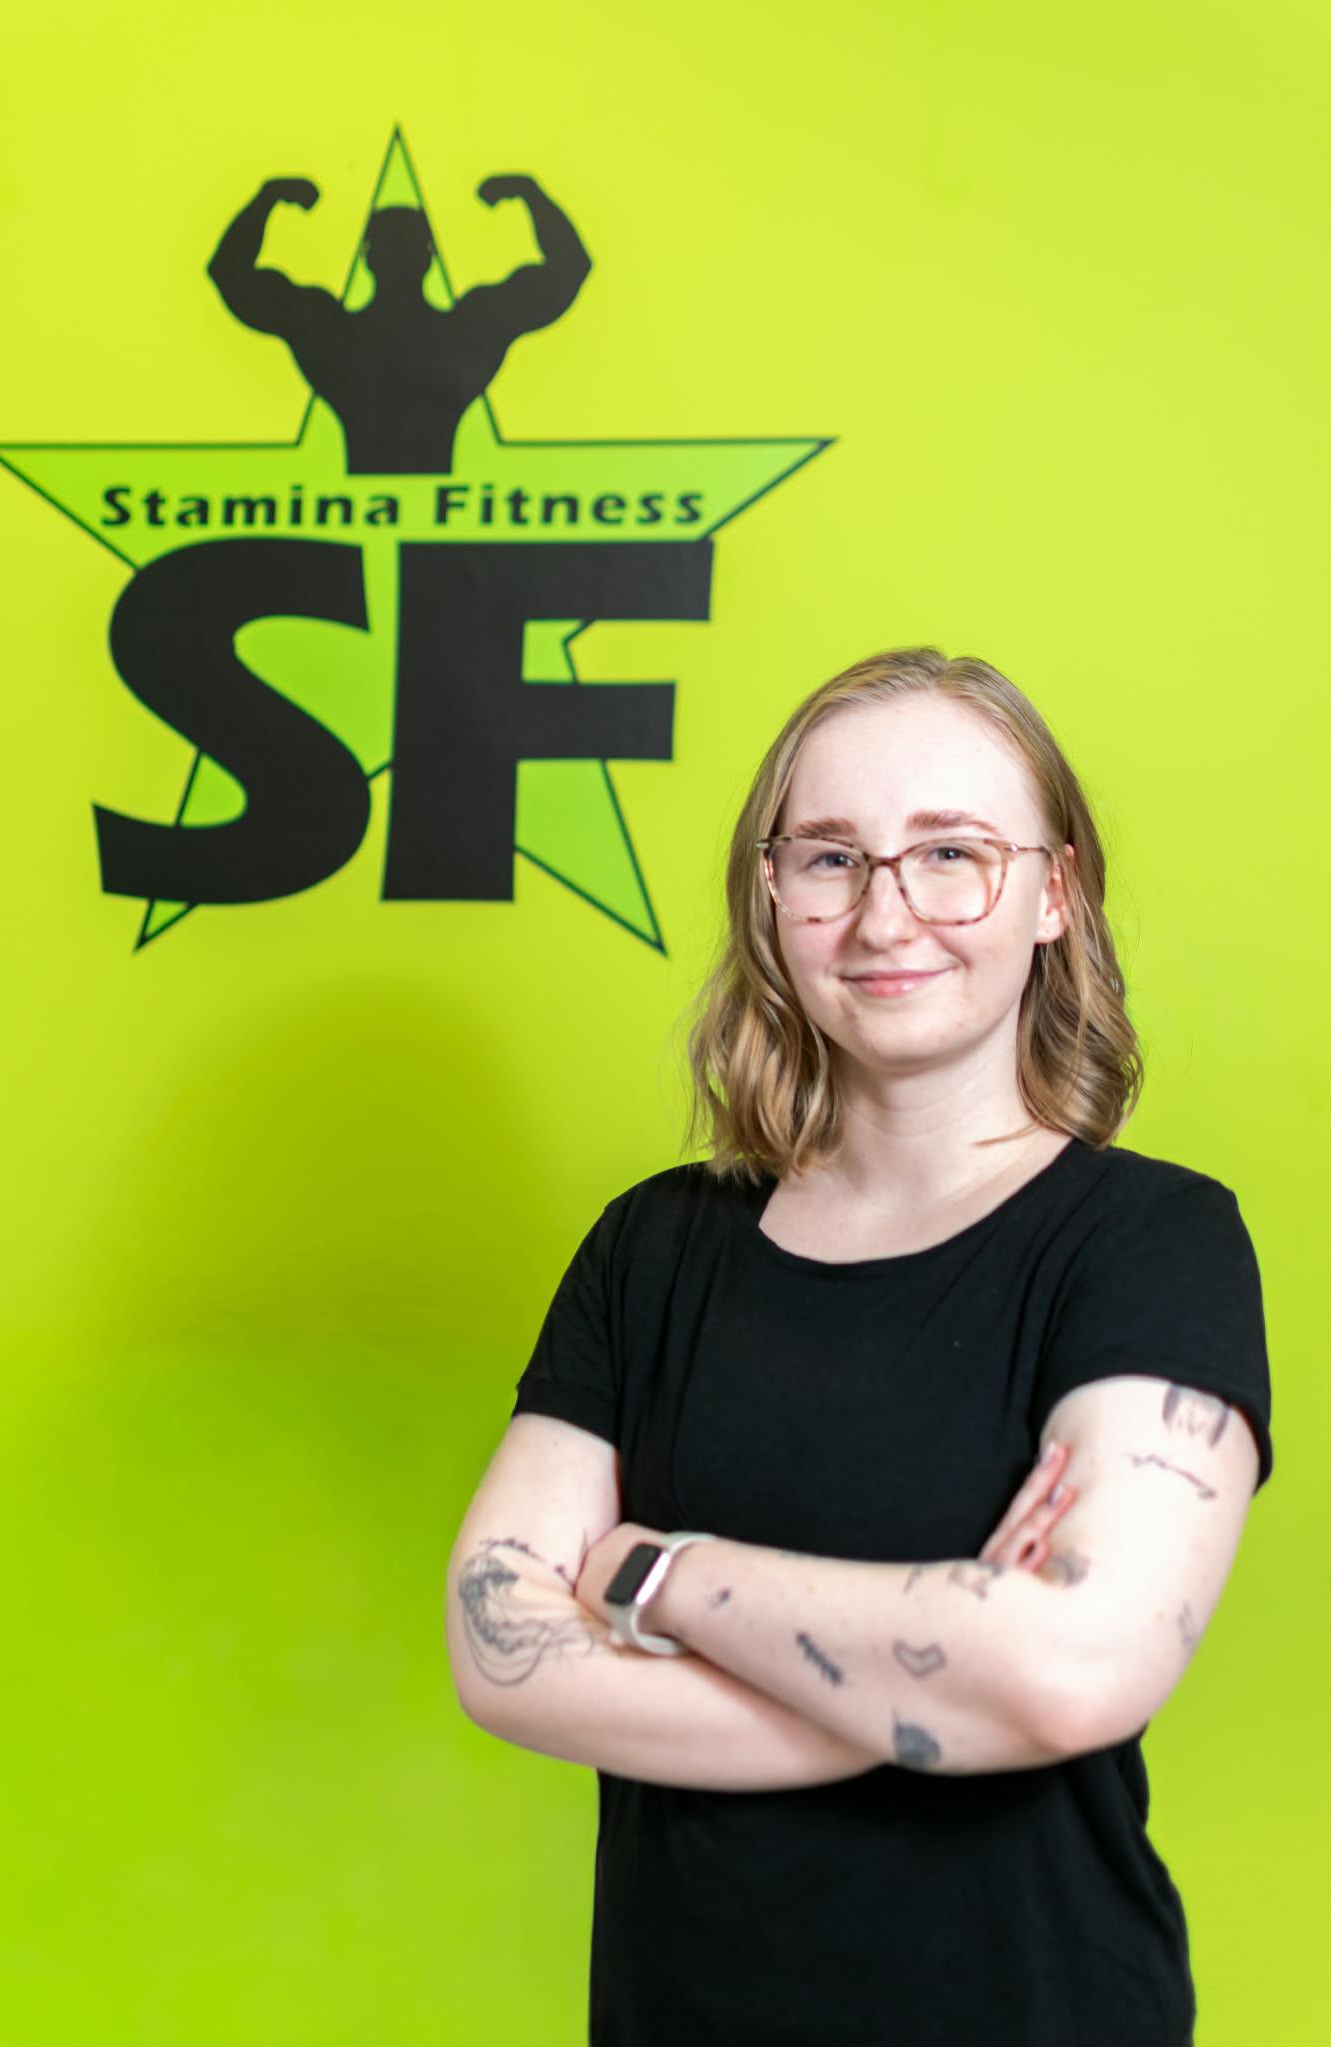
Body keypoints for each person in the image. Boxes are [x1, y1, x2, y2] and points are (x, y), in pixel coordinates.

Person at [444, 647, 1271, 2047]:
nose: (887, 914)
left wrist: (656, 1574)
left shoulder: (1151, 1240)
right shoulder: (653, 1247)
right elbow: (496, 1644)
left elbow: (1076, 1668)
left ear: (1054, 894)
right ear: (771, 894)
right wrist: (949, 1681)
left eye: (952, 853)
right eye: (830, 857)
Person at [208, 173, 590, 473]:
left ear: (366, 257)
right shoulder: (468, 331)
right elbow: (568, 270)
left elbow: (230, 274)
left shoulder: (328, 332)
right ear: (430, 257)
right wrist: (530, 194)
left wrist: (267, 199)